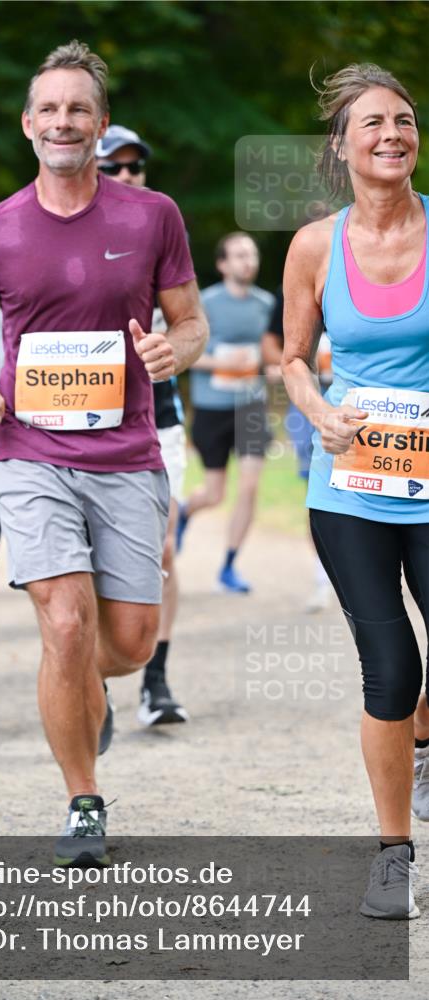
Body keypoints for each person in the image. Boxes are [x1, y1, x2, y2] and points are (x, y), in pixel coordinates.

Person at [0, 41, 207, 863]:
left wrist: (179, 350)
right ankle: (84, 800)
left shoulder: (152, 216)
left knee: (127, 643)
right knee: (64, 623)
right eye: (49, 109)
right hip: (27, 449)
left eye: (79, 109)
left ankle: (82, 675)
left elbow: (191, 321)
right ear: (28, 125)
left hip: (127, 454)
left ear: (99, 126)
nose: (63, 121)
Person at [282, 64, 429, 919]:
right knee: (390, 667)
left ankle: (423, 738)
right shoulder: (313, 245)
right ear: (342, 147)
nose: (391, 134)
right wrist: (317, 410)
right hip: (353, 487)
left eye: (404, 120)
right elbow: (293, 358)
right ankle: (392, 857)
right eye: (371, 122)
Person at [96, 124, 188, 726]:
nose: (129, 177)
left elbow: (189, 322)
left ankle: (155, 679)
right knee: (97, 559)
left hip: (161, 420)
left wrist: (176, 347)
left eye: (137, 167)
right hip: (87, 425)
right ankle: (95, 674)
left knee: (164, 550)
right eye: (116, 168)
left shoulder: (160, 232)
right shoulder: (60, 238)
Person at [179, 233, 275, 593]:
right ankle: (187, 511)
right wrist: (224, 362)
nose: (247, 262)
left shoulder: (266, 305)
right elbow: (186, 354)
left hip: (251, 408)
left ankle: (230, 565)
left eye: (251, 255)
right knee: (215, 493)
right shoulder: (205, 303)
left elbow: (273, 352)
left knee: (249, 488)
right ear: (222, 264)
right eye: (238, 255)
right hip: (212, 409)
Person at [262, 287, 333, 612]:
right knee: (316, 492)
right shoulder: (293, 289)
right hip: (309, 405)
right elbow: (271, 346)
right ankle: (322, 581)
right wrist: (298, 370)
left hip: (371, 403)